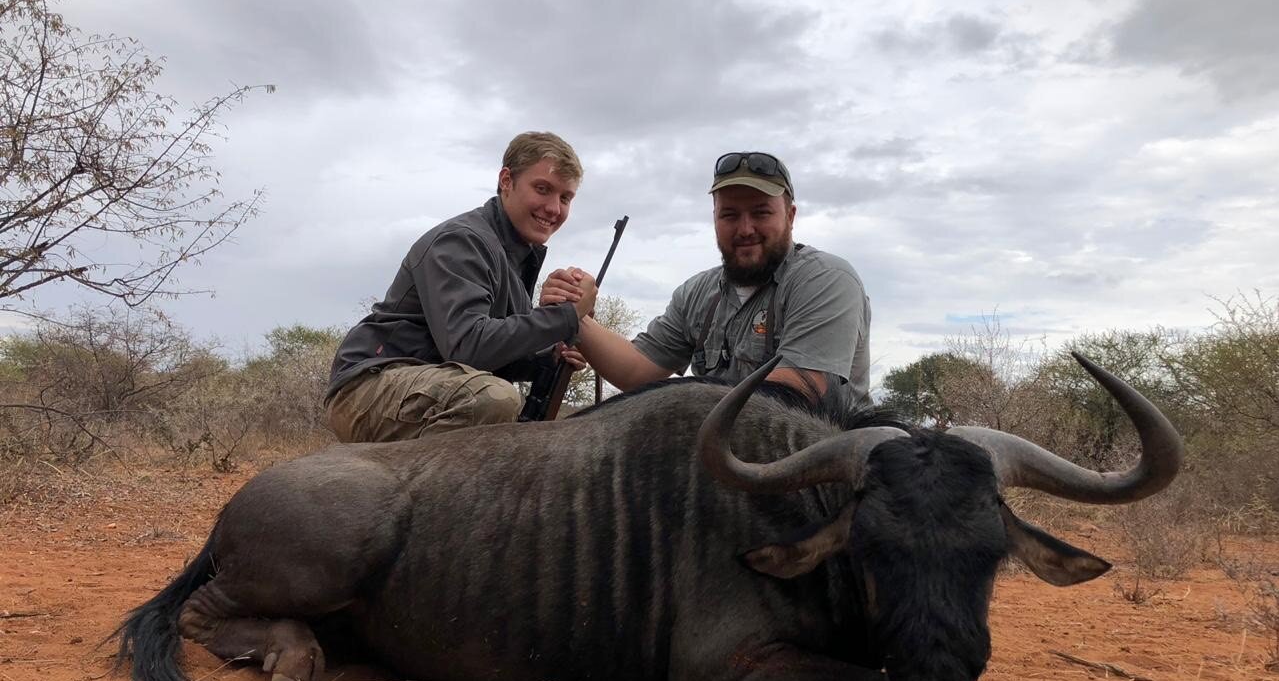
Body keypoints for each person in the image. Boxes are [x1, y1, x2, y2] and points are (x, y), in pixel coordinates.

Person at [324, 131, 597, 442]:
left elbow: (488, 352)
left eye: (565, 198)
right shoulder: (462, 241)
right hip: (366, 386)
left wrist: (547, 358)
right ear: (506, 181)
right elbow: (469, 347)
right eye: (542, 189)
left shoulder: (516, 255)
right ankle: (414, 490)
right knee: (492, 398)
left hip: (426, 385)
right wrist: (565, 317)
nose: (553, 208)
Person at [544, 151, 870, 409]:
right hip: (723, 467)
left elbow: (792, 395)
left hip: (823, 473)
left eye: (761, 213)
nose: (745, 229)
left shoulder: (825, 280)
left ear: (791, 216)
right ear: (714, 219)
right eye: (729, 215)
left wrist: (672, 402)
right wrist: (574, 314)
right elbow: (636, 371)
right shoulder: (696, 293)